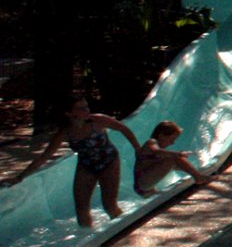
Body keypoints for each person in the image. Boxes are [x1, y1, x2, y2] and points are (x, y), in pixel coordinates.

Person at [9, 97, 139, 227]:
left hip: (109, 162)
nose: (86, 110)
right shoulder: (65, 132)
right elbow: (44, 157)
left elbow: (124, 129)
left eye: (86, 107)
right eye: (81, 108)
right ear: (69, 113)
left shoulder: (98, 120)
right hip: (86, 166)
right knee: (81, 210)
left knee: (109, 206)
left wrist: (137, 149)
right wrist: (20, 177)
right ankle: (88, 238)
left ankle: (124, 228)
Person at [133, 120, 210, 196]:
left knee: (177, 159)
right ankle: (198, 177)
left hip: (147, 187)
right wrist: (178, 154)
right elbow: (156, 151)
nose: (172, 143)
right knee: (173, 158)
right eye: (171, 139)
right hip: (142, 183)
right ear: (161, 135)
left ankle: (198, 174)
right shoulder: (151, 142)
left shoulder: (161, 149)